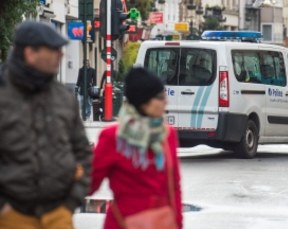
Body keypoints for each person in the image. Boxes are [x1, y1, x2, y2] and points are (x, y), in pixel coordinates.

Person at [0, 21, 92, 228]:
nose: (60, 55)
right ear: (30, 53)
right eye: (53, 50)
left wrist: (71, 201)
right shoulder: (3, 95)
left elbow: (83, 152)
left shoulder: (64, 97)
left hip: (59, 214)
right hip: (12, 216)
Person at [90, 67, 183, 229]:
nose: (165, 102)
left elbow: (174, 187)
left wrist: (178, 223)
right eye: (160, 97)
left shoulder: (167, 135)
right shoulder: (113, 137)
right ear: (144, 102)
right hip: (122, 223)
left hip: (160, 223)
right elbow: (90, 183)